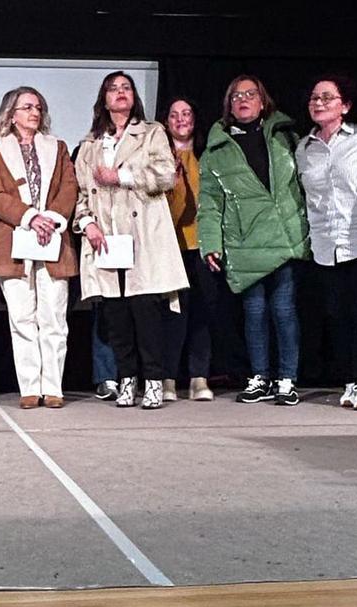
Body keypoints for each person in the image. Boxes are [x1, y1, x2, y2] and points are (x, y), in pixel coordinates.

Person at [73, 71, 187, 410]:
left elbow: (167, 175)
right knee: (116, 316)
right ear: (104, 99)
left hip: (142, 237)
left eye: (126, 88)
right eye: (113, 88)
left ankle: (153, 381)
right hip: (106, 240)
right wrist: (86, 224)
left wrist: (121, 176)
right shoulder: (90, 144)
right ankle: (126, 379)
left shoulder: (151, 133)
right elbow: (81, 193)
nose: (120, 93)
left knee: (146, 313)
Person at [198, 74, 310, 406]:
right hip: (244, 242)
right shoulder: (216, 150)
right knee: (255, 312)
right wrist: (211, 243)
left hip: (285, 239)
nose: (243, 100)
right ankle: (259, 376)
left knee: (284, 310)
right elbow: (209, 203)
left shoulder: (286, 137)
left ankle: (287, 379)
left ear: (263, 101)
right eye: (236, 96)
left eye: (250, 94)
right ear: (228, 106)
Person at [295, 75, 357, 411]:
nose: (318, 102)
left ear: (345, 105)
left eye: (327, 97)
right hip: (324, 244)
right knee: (336, 315)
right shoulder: (304, 149)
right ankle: (350, 381)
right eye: (314, 97)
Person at [0, 86, 79, 409]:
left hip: (53, 239)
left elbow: (69, 187)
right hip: (14, 242)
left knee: (54, 317)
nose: (34, 113)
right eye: (27, 107)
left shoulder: (58, 147)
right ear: (11, 114)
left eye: (38, 107)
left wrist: (49, 218)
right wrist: (29, 217)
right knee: (22, 318)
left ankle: (53, 386)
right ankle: (29, 386)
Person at [159, 96, 215, 403]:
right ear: (166, 122)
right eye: (174, 114)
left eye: (187, 113)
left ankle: (199, 378)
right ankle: (168, 379)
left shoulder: (209, 155)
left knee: (202, 315)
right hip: (170, 248)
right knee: (172, 317)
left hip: (203, 248)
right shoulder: (160, 158)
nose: (181, 119)